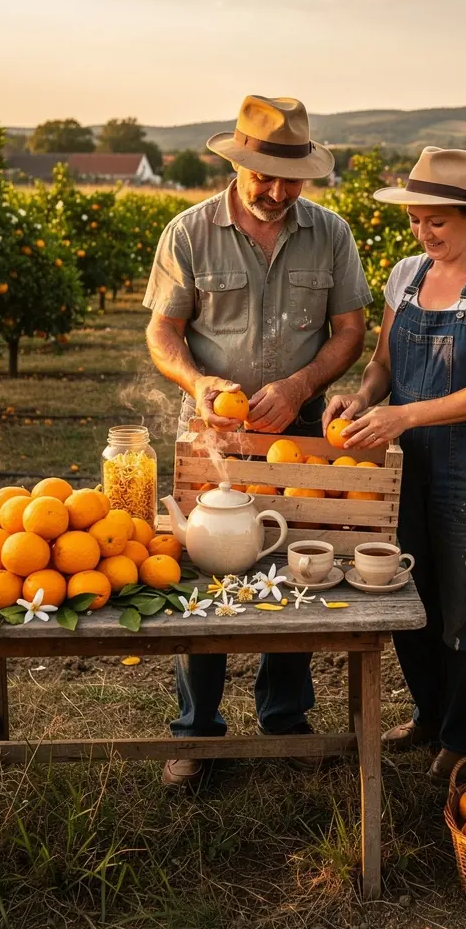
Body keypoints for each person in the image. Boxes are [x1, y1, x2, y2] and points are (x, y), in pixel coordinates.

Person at [143, 95, 372, 787]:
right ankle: (197, 730)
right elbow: (162, 332)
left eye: (290, 179)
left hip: (298, 434)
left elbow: (349, 332)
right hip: (213, 431)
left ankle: (284, 717)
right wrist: (198, 382)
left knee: (295, 564)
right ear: (240, 163)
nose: (276, 193)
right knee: (207, 571)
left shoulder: (329, 234)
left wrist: (301, 387)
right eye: (263, 178)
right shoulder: (190, 232)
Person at [324, 146, 466, 779]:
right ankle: (428, 715)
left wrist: (407, 415)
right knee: (407, 590)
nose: (423, 233)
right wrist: (360, 398)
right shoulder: (406, 275)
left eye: (436, 221)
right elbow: (385, 364)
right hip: (407, 459)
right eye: (415, 219)